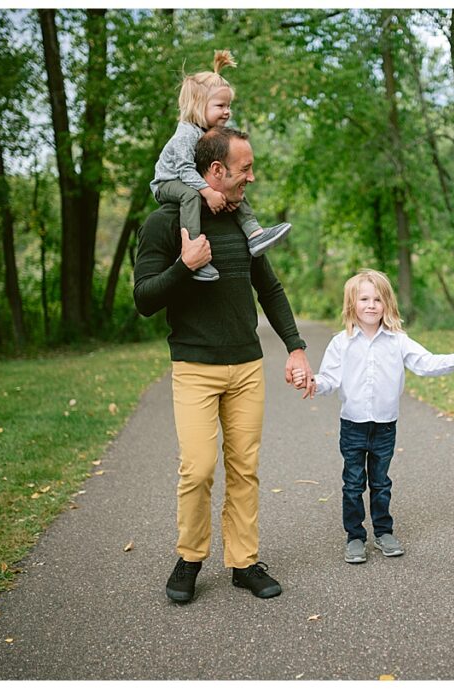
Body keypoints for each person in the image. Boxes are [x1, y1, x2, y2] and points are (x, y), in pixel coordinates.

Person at [134, 125, 316, 604]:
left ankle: (244, 562)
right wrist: (185, 265)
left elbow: (269, 288)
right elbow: (144, 299)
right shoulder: (164, 222)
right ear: (216, 170)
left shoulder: (240, 221)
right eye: (245, 169)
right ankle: (190, 558)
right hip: (195, 367)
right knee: (197, 470)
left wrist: (295, 347)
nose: (251, 178)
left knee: (244, 469)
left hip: (246, 368)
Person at [293, 270, 454, 564]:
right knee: (353, 483)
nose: (371, 305)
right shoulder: (341, 342)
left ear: (387, 304)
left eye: (377, 299)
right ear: (352, 304)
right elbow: (330, 379)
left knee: (381, 482)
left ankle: (384, 532)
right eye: (364, 299)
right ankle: (355, 537)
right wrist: (312, 383)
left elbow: (425, 363)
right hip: (353, 425)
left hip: (385, 426)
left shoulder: (398, 341)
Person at [150, 49, 291, 282]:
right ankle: (192, 250)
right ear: (198, 105)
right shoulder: (186, 134)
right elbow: (184, 171)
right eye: (220, 106)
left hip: (190, 179)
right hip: (168, 181)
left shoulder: (210, 134)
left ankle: (254, 233)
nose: (227, 112)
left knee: (234, 183)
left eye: (228, 105)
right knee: (190, 196)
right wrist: (208, 192)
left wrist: (222, 194)